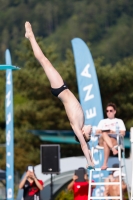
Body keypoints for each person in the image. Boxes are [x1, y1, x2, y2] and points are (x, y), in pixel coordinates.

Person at [24, 21, 94, 169]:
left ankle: (30, 36)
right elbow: (100, 131)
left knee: (44, 61)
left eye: (89, 134)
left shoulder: (77, 126)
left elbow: (83, 145)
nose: (91, 132)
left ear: (82, 133)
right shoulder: (82, 123)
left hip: (60, 89)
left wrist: (89, 161)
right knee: (45, 62)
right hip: (63, 88)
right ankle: (30, 36)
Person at [96, 102, 126, 170]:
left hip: (113, 139)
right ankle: (113, 149)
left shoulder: (119, 121)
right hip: (102, 139)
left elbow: (123, 133)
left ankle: (104, 164)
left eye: (111, 111)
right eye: (107, 111)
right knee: (104, 134)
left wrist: (113, 132)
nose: (109, 112)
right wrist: (105, 132)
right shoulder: (102, 121)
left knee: (106, 142)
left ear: (114, 111)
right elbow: (97, 131)